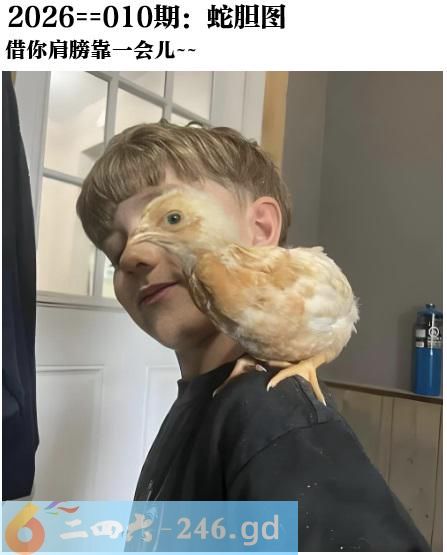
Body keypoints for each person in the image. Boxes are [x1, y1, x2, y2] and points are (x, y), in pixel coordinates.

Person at [76, 120, 429, 551]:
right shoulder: (209, 402)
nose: (133, 255)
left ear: (260, 229)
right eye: (115, 251)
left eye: (173, 217)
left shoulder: (273, 415)